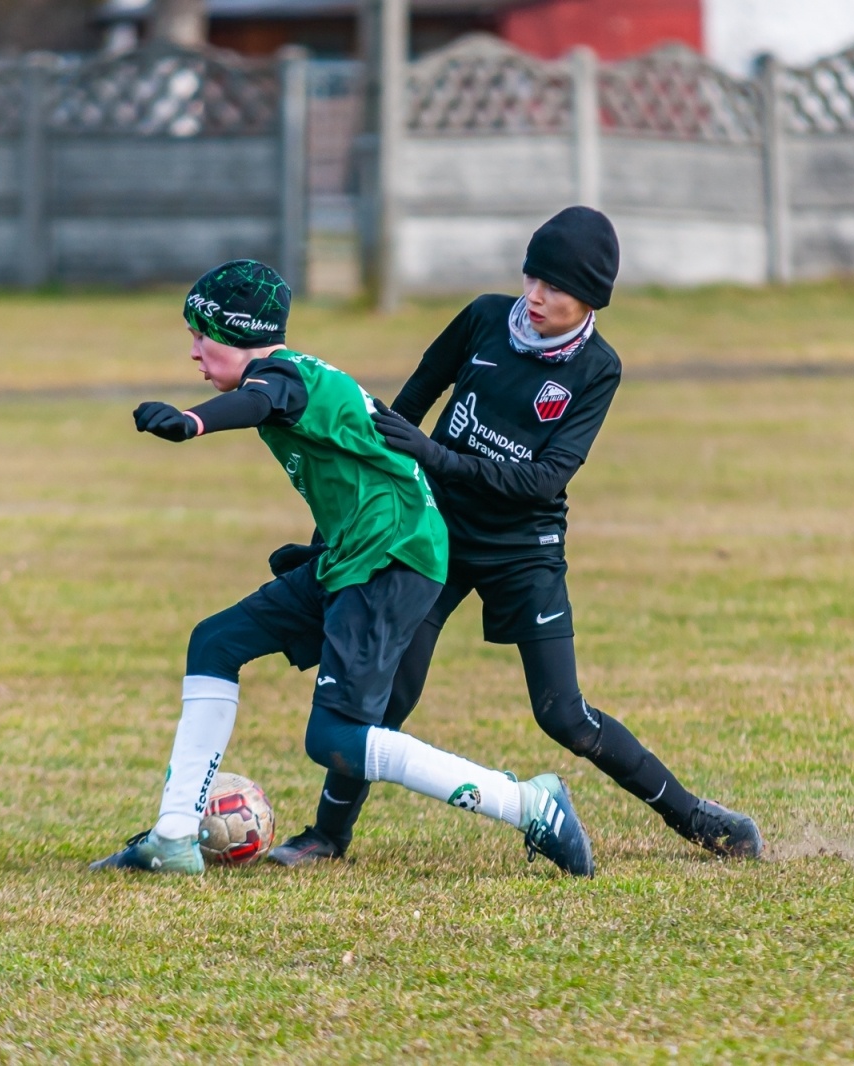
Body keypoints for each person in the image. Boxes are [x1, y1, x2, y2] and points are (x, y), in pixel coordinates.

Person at [267, 208, 764, 867]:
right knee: (388, 693)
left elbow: (544, 480)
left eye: (554, 289)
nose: (534, 297)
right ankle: (328, 837)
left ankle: (701, 820)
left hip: (521, 549)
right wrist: (347, 521)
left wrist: (437, 457)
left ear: (591, 300)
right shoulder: (481, 318)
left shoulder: (597, 368)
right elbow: (404, 412)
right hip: (431, 534)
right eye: (531, 277)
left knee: (564, 715)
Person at [90, 259, 594, 877]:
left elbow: (261, 401)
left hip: (394, 559)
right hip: (351, 554)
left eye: (204, 334)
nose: (194, 350)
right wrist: (321, 544)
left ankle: (530, 804)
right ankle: (172, 838)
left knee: (336, 738)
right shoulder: (296, 378)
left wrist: (193, 422)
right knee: (215, 642)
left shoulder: (282, 381)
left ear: (240, 333)